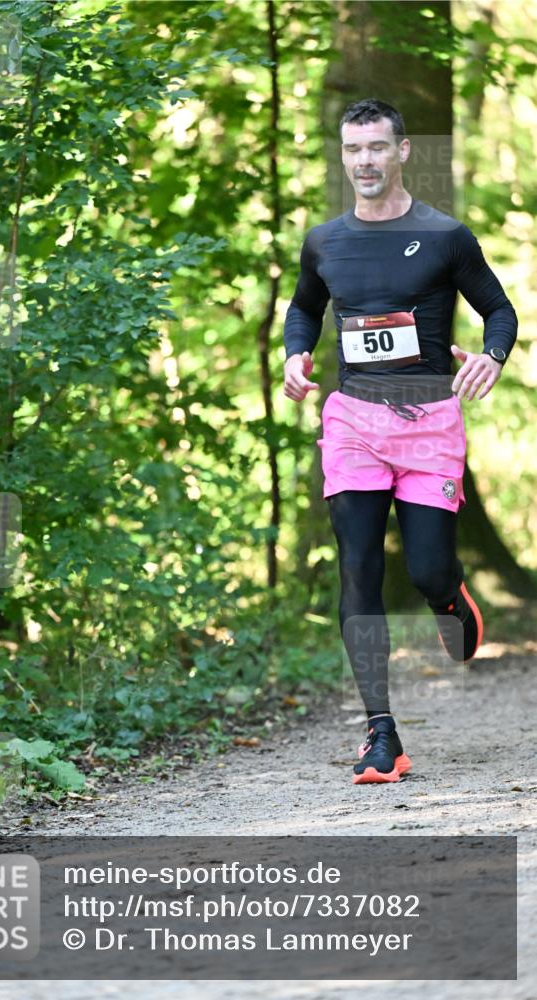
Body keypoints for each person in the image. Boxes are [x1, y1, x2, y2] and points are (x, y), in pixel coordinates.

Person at [282, 98, 518, 785]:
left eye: (377, 147)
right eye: (353, 149)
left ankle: (449, 599)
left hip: (429, 423)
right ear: (343, 155)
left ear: (402, 151)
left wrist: (492, 356)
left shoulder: (444, 236)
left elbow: (498, 309)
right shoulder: (325, 241)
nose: (365, 161)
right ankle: (380, 732)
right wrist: (296, 354)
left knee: (426, 570)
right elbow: (304, 307)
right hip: (353, 421)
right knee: (357, 567)